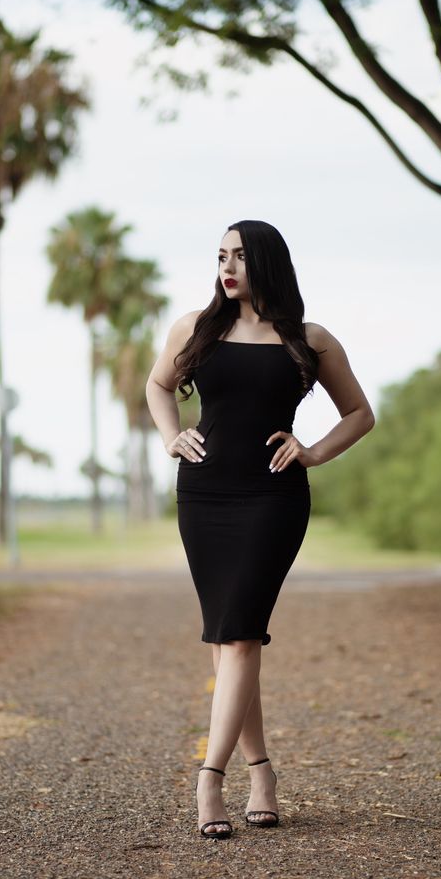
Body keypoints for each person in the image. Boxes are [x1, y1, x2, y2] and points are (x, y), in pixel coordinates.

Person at [145, 220, 375, 839]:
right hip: (203, 495)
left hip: (272, 500)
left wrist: (314, 451)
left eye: (241, 257)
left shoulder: (309, 338)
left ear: (267, 263)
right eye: (221, 256)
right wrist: (172, 437)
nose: (228, 267)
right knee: (230, 639)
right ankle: (263, 775)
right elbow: (158, 384)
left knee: (241, 637)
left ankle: (209, 779)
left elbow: (360, 413)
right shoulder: (195, 327)